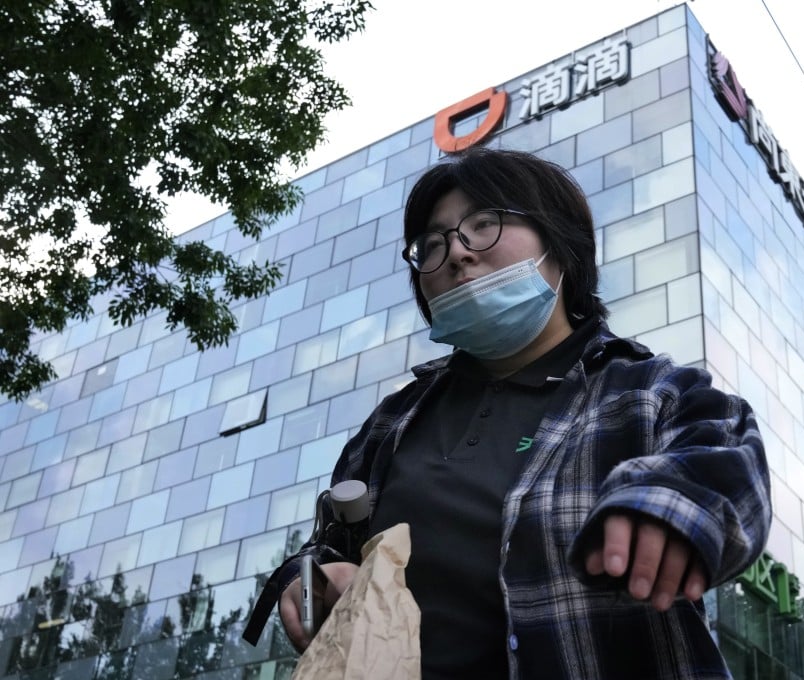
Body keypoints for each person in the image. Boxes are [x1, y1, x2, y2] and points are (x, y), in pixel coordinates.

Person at [243, 147, 771, 679]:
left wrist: (667, 507)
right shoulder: (391, 422)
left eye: (484, 224)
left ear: (560, 246)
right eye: (432, 243)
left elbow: (729, 466)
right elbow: (326, 546)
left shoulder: (648, 390)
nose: (456, 253)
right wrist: (307, 578)